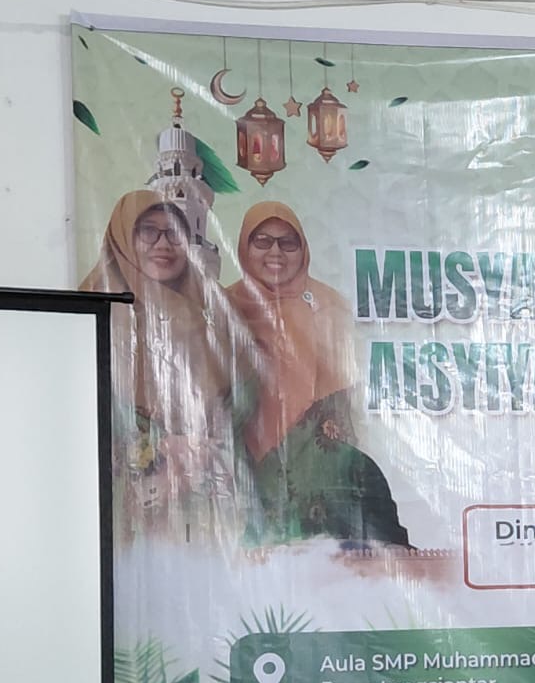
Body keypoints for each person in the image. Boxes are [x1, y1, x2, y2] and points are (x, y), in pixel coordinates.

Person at [225, 201, 410, 548]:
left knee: (332, 552)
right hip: (244, 454)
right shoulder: (223, 305)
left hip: (318, 452)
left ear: (303, 249)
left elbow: (348, 383)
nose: (275, 252)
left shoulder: (330, 304)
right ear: (244, 246)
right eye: (262, 241)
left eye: (288, 242)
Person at [80, 189, 249, 542]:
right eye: (148, 232)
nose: (163, 244)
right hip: (120, 492)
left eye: (174, 232)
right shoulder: (93, 304)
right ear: (123, 237)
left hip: (205, 493)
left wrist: (204, 443)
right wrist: (156, 445)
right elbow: (78, 402)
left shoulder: (212, 306)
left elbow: (247, 389)